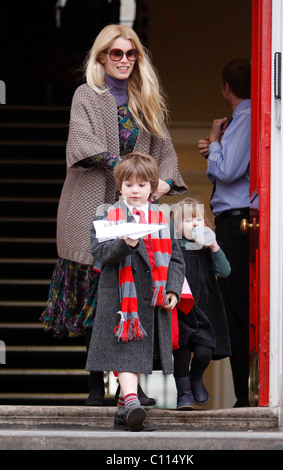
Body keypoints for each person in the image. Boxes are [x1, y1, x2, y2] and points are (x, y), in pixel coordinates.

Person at [40, 24, 187, 407]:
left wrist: (164, 183)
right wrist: (131, 170)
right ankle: (94, 389)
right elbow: (82, 143)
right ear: (102, 57)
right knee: (97, 294)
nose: (124, 60)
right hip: (88, 204)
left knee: (133, 294)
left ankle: (129, 390)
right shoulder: (86, 94)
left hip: (136, 208)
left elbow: (166, 152)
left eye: (130, 54)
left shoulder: (147, 99)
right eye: (116, 54)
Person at [86, 153, 185, 431]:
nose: (135, 190)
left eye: (141, 185)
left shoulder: (164, 219)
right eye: (128, 184)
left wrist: (173, 291)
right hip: (120, 297)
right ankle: (131, 400)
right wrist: (125, 244)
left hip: (152, 298)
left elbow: (176, 259)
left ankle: (123, 409)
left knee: (137, 354)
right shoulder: (106, 216)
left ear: (153, 188)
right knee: (127, 351)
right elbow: (100, 252)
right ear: (119, 187)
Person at [198, 58, 251, 407]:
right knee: (232, 307)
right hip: (231, 222)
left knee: (236, 308)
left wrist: (215, 142)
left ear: (225, 88)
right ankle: (242, 395)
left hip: (237, 222)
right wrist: (216, 148)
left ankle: (244, 396)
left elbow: (229, 171)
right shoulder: (240, 120)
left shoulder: (244, 118)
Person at [171, 198, 231, 409]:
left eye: (198, 219)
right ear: (177, 227)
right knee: (182, 352)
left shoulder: (207, 249)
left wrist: (214, 245)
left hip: (205, 307)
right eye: (188, 220)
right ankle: (184, 394)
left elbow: (224, 272)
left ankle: (196, 377)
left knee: (204, 350)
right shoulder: (174, 247)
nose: (195, 224)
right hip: (181, 308)